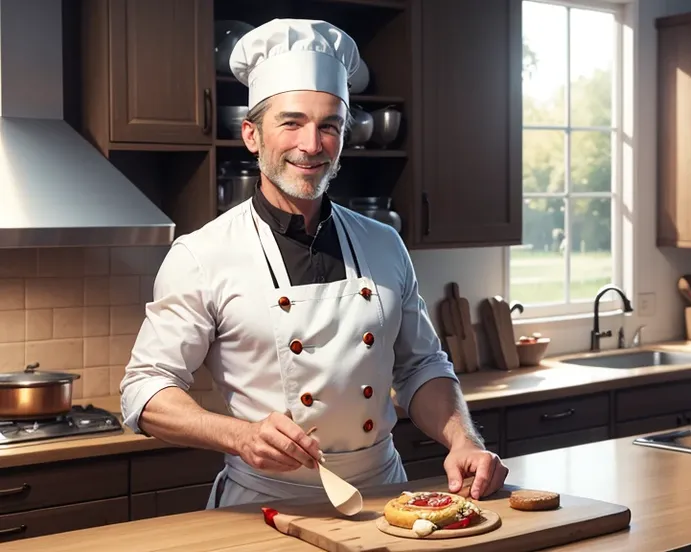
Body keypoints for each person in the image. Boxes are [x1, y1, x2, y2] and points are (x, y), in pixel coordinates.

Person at [119, 18, 508, 509]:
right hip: (264, 505)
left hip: (387, 499)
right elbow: (144, 390)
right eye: (291, 122)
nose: (311, 144)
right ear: (252, 135)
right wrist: (239, 436)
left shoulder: (385, 243)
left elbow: (422, 366)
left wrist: (462, 439)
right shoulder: (201, 255)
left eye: (330, 126)